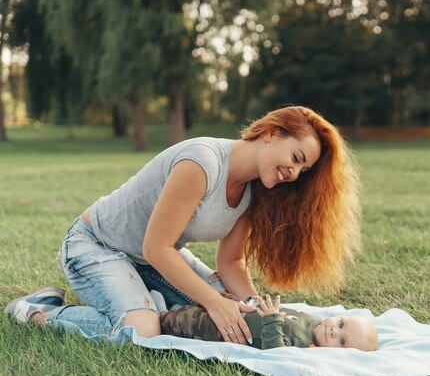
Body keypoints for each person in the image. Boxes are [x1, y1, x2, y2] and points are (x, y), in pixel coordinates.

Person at [4, 106, 360, 345]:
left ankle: (145, 299)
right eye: (296, 158)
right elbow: (155, 247)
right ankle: (38, 311)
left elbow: (231, 262)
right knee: (143, 330)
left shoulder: (258, 188)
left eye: (303, 170)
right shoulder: (202, 162)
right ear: (271, 133)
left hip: (152, 260)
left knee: (237, 311)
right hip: (95, 246)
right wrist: (216, 304)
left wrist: (251, 305)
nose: (294, 173)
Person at [159, 294, 378, 351]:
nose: (333, 332)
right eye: (340, 324)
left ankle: (162, 312)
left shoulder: (308, 347)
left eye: (341, 341)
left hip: (225, 331)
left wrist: (273, 319)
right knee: (208, 301)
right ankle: (175, 304)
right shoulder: (314, 321)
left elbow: (275, 350)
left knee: (183, 322)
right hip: (240, 308)